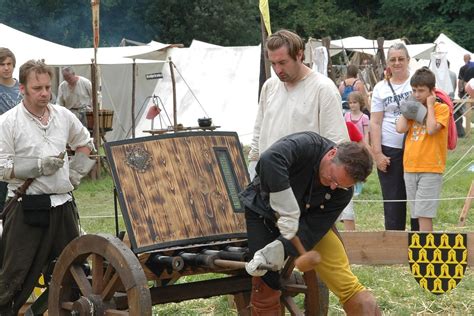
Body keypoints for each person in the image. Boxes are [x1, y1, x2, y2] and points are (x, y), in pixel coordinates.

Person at [241, 131, 380, 315]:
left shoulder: (342, 192)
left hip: (305, 224)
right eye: (333, 178)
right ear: (332, 154)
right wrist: (286, 206)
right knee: (265, 280)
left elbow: (312, 229)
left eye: (339, 185)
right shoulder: (307, 145)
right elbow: (269, 160)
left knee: (346, 284)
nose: (333, 187)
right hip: (264, 212)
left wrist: (279, 248)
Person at [0, 60, 96, 315]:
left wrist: (75, 173)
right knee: (13, 281)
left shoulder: (63, 116)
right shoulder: (8, 122)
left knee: (74, 276)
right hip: (27, 209)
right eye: (37, 88)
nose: (44, 93)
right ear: (23, 89)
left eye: (47, 87)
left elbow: (86, 144)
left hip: (63, 207)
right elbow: (1, 167)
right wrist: (36, 167)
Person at [370, 43, 417, 231]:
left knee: (416, 197)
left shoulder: (417, 81)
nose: (397, 63)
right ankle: (394, 244)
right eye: (393, 59)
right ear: (387, 62)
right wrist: (377, 153)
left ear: (408, 60)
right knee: (393, 198)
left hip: (416, 146)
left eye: (401, 59)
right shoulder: (380, 88)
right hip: (390, 148)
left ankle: (419, 242)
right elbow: (375, 122)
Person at [396, 67, 449, 231]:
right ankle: (421, 251)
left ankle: (427, 253)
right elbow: (400, 128)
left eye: (421, 91)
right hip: (410, 166)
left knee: (425, 214)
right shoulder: (414, 108)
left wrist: (431, 106)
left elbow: (432, 129)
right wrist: (407, 109)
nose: (417, 94)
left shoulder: (442, 109)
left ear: (432, 91)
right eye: (414, 90)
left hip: (430, 167)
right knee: (417, 214)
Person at [0, 48, 22, 214]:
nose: (6, 68)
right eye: (2, 64)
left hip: (22, 141)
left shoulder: (22, 88)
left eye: (9, 64)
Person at [337, 121, 364, 230]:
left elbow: (361, 145)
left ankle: (351, 240)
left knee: (347, 212)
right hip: (328, 175)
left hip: (345, 175)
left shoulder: (347, 125)